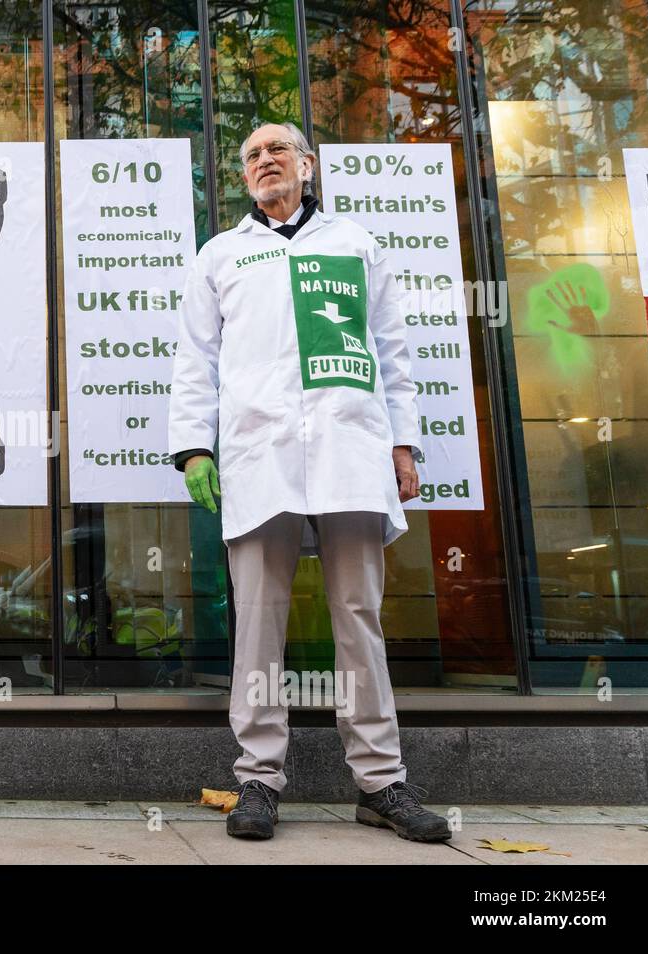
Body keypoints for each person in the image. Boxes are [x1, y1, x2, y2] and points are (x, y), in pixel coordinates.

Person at [168, 122, 450, 843]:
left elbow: (392, 350)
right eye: (252, 156)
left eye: (277, 151)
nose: (265, 162)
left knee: (357, 615)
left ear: (307, 164)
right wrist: (194, 450)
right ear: (245, 176)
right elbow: (195, 361)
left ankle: (381, 782)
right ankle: (258, 779)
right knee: (259, 621)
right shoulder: (221, 256)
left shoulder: (355, 245)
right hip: (258, 456)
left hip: (350, 448)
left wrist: (404, 443)